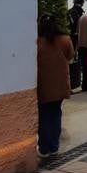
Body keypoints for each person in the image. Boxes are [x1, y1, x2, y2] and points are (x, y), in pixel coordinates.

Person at [37, 14, 74, 157]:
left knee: (43, 116)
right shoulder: (65, 39)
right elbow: (70, 56)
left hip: (43, 84)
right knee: (55, 114)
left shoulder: (37, 41)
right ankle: (54, 146)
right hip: (59, 85)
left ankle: (44, 148)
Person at [68, 0, 85, 89]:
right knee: (74, 58)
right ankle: (74, 79)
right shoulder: (76, 12)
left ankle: (76, 78)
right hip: (75, 38)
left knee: (75, 58)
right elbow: (75, 25)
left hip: (74, 37)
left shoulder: (71, 11)